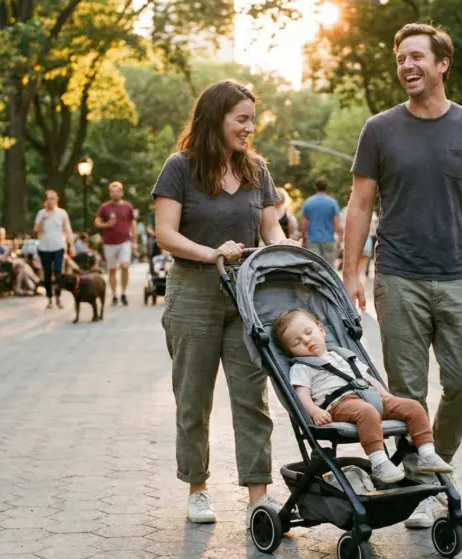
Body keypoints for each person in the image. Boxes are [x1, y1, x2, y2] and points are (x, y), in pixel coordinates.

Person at [342, 22, 462, 529]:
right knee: (408, 392)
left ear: (443, 64)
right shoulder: (379, 129)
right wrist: (351, 271)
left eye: (417, 56)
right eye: (401, 58)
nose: (407, 66)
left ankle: (430, 463)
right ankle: (425, 489)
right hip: (398, 276)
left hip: (461, 273)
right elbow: (359, 204)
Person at [151, 79, 298, 526]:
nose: (249, 128)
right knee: (193, 398)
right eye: (242, 119)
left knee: (252, 396)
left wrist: (281, 246)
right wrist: (210, 251)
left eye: (252, 119)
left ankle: (259, 495)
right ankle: (197, 487)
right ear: (217, 119)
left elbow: (271, 227)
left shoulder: (256, 170)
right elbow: (165, 234)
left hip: (246, 295)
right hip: (193, 291)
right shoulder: (180, 168)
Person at [274, 307, 453, 483]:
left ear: (321, 329)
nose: (306, 340)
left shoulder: (343, 355)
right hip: (340, 404)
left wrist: (386, 396)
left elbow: (368, 378)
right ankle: (379, 462)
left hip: (370, 396)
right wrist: (314, 411)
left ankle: (427, 453)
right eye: (297, 342)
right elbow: (301, 394)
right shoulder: (302, 367)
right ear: (291, 351)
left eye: (308, 332)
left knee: (413, 406)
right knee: (366, 412)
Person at [94, 182, 138, 306]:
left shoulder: (128, 207)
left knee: (124, 265)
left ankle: (123, 292)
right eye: (112, 191)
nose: (115, 193)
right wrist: (106, 225)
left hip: (125, 241)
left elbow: (133, 223)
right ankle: (114, 294)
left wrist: (134, 241)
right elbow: (97, 222)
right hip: (109, 242)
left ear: (122, 192)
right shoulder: (104, 207)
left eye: (117, 191)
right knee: (112, 269)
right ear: (110, 193)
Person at [34, 190, 73, 310]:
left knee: (58, 272)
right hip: (44, 247)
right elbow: (36, 230)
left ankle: (58, 297)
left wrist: (71, 245)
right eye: (48, 199)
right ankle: (49, 299)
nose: (50, 201)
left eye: (53, 198)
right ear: (45, 201)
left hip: (58, 247)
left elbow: (67, 229)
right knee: (47, 273)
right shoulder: (41, 213)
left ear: (57, 199)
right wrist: (42, 221)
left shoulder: (62, 213)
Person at [300, 177, 341, 266]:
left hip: (312, 240)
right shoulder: (332, 203)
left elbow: (303, 225)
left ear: (315, 187)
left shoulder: (308, 202)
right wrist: (339, 241)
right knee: (329, 268)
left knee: (315, 268)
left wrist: (304, 239)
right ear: (327, 187)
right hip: (329, 239)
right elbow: (338, 225)